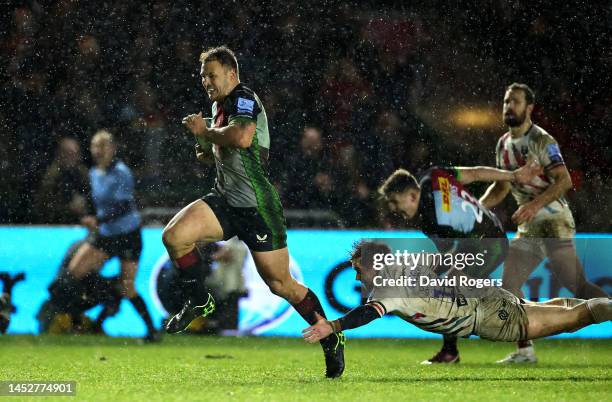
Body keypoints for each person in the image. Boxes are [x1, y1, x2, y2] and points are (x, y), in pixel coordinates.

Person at [162, 46, 345, 378]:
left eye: (211, 74)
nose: (206, 80)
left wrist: (205, 133)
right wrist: (205, 146)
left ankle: (331, 334)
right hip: (225, 199)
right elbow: (217, 151)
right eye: (203, 75)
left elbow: (244, 138)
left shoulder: (244, 97)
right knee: (174, 237)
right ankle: (200, 300)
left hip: (257, 206)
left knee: (281, 284)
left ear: (231, 74)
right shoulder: (218, 106)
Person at [479, 83, 609, 363]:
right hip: (529, 227)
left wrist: (534, 205)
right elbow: (501, 188)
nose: (508, 107)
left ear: (529, 108)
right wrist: (475, 208)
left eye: (514, 102)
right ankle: (524, 351)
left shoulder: (542, 140)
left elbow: (565, 180)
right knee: (509, 287)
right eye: (505, 102)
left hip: (553, 222)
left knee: (577, 286)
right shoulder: (503, 144)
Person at [377, 162, 540, 364]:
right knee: (459, 286)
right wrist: (513, 175)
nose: (393, 209)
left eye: (395, 202)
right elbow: (475, 172)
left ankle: (451, 352)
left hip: (488, 245)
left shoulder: (431, 220)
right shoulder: (433, 175)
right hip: (490, 230)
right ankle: (523, 345)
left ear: (412, 196)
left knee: (450, 286)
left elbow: (450, 256)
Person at [302, 242, 611, 348]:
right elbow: (451, 259)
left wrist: (334, 326)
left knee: (579, 315)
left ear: (372, 265)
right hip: (488, 296)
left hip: (490, 318)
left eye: (358, 270)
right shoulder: (409, 264)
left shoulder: (388, 289)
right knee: (573, 314)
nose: (356, 277)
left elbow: (368, 313)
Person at [58, 130, 159, 342]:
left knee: (127, 286)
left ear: (113, 148)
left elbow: (123, 206)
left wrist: (98, 220)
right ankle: (78, 327)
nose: (99, 149)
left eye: (104, 145)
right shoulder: (94, 172)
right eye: (96, 145)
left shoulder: (121, 172)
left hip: (128, 234)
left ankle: (152, 331)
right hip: (106, 235)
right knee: (72, 274)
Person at [35, 137, 89, 224]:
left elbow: (91, 198)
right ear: (59, 154)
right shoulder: (51, 175)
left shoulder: (83, 173)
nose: (71, 157)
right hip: (55, 224)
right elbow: (43, 204)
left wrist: (84, 206)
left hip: (80, 223)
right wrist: (68, 208)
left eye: (74, 153)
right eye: (67, 153)